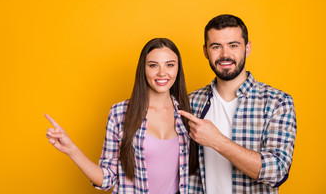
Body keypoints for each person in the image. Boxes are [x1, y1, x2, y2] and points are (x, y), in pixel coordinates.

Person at [45, 38, 197, 194]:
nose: (162, 73)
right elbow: (107, 180)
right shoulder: (119, 113)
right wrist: (71, 149)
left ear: (178, 69)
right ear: (143, 69)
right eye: (153, 65)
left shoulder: (189, 114)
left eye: (170, 65)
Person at [179, 14, 297, 194]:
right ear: (205, 51)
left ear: (247, 48)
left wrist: (217, 141)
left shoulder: (277, 102)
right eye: (216, 46)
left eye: (233, 45)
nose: (225, 54)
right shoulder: (191, 102)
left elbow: (277, 171)